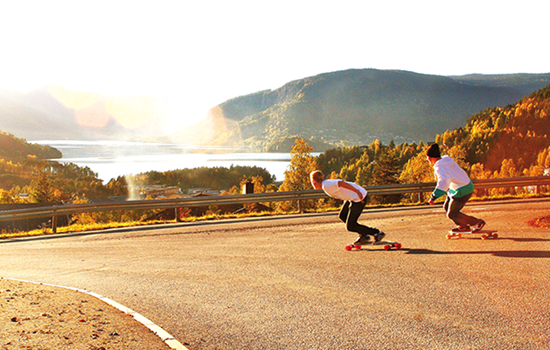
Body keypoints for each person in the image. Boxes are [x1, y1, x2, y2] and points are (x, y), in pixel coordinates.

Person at [310, 170, 385, 246]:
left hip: (359, 198)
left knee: (350, 226)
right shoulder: (326, 184)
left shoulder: (326, 185)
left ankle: (377, 233)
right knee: (343, 215)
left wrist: (357, 191)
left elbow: (341, 183)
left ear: (314, 180)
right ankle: (364, 236)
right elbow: (341, 190)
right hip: (352, 198)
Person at [426, 143, 485, 233]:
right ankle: (463, 225)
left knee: (452, 213)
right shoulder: (446, 161)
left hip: (463, 189)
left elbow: (444, 182)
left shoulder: (440, 167)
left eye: (428, 159)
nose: (428, 161)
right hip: (458, 187)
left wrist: (434, 196)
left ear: (430, 158)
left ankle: (477, 222)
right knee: (446, 207)